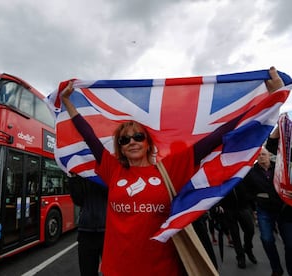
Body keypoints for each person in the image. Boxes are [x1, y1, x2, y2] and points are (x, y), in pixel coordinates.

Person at [59, 67, 285, 275]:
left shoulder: (170, 168)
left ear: (148, 142)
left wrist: (268, 99)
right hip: (116, 267)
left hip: (162, 267)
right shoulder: (112, 168)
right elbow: (88, 134)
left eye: (138, 136)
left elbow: (217, 136)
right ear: (120, 146)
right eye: (124, 139)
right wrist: (67, 101)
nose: (132, 142)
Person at [243, 146, 291, 276]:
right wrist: (257, 198)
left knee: (290, 243)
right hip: (264, 210)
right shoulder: (251, 173)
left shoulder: (280, 169)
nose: (261, 157)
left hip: (283, 210)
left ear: (269, 155)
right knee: (267, 239)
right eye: (258, 155)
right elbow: (247, 193)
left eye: (263, 154)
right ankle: (276, 269)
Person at [68, 173, 107, 276]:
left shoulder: (110, 168)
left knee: (113, 272)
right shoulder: (81, 174)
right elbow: (78, 200)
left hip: (109, 232)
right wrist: (73, 178)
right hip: (86, 232)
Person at [219, 180, 257, 268]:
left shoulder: (241, 169)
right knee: (235, 234)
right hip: (228, 208)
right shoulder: (221, 172)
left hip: (243, 206)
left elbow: (250, 188)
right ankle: (240, 257)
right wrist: (218, 204)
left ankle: (248, 248)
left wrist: (253, 207)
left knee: (250, 230)